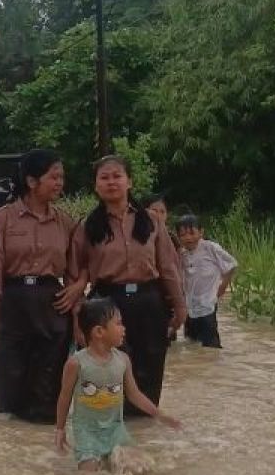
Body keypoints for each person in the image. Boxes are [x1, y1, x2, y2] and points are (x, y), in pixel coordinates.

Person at [0, 150, 82, 422]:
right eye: (53, 177)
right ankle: (11, 458)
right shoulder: (1, 220)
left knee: (48, 397)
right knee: (8, 397)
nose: (60, 183)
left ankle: (42, 457)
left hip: (53, 310)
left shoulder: (65, 222)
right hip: (11, 310)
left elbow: (77, 269)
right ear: (32, 182)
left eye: (62, 177)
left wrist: (78, 291)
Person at [72, 156, 186, 414]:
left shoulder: (151, 221)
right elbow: (76, 275)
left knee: (150, 369)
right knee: (107, 375)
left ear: (129, 181)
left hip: (149, 301)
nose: (111, 182)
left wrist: (179, 306)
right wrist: (77, 319)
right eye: (104, 177)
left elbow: (168, 267)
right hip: (106, 304)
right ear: (96, 185)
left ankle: (145, 438)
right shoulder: (86, 227)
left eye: (117, 176)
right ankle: (109, 437)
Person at [55, 298, 182, 472]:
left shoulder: (122, 360)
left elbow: (134, 394)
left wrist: (161, 415)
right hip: (87, 432)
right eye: (118, 324)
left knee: (139, 469)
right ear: (99, 331)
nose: (124, 329)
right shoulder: (76, 363)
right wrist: (60, 429)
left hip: (116, 429)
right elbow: (64, 397)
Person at [176, 214, 238, 348]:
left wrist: (221, 288)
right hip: (189, 308)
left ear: (201, 232)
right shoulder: (181, 254)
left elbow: (232, 264)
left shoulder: (210, 248)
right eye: (183, 234)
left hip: (208, 305)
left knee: (211, 347)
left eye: (192, 233)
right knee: (190, 344)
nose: (188, 238)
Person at [142, 193, 182, 341]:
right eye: (154, 211)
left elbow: (176, 268)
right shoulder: (140, 234)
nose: (158, 215)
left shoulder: (173, 239)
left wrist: (179, 297)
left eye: (162, 212)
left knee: (168, 341)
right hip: (148, 293)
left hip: (168, 295)